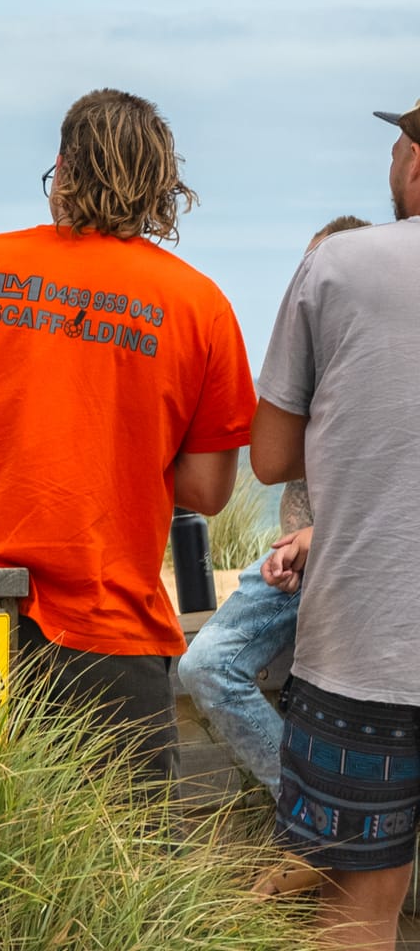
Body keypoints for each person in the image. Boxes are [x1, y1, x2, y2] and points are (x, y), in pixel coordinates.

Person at [0, 88, 255, 782]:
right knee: (121, 863)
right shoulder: (202, 308)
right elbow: (206, 490)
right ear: (162, 187)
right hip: (111, 632)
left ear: (64, 168)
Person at [250, 98, 420, 950]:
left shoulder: (339, 265)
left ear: (416, 166)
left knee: (356, 909)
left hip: (367, 655)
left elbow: (271, 456)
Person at [176, 215, 369, 798]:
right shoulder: (309, 362)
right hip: (295, 568)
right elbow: (270, 461)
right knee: (205, 664)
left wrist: (320, 538)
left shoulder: (380, 365)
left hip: (355, 562)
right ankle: (302, 802)